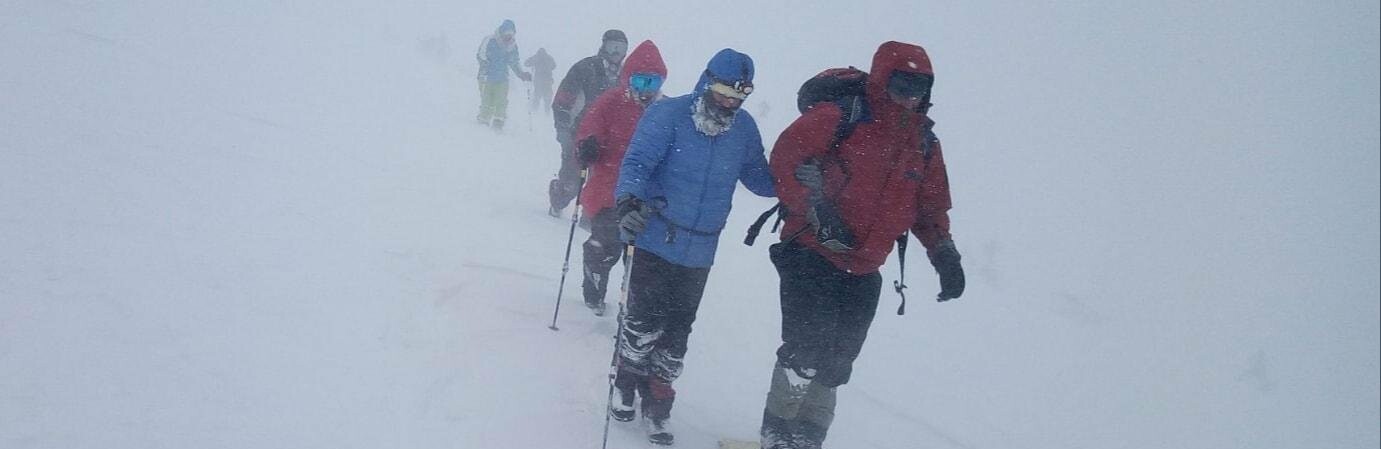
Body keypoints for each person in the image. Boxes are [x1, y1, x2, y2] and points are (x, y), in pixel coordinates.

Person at [756, 41, 966, 449]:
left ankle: (807, 436)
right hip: (811, 252)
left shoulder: (923, 143)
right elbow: (785, 161)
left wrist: (944, 253)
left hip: (865, 267)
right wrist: (816, 209)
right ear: (882, 80)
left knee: (837, 360)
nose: (909, 97)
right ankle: (776, 432)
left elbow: (930, 206)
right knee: (806, 349)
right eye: (901, 85)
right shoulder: (842, 116)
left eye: (918, 89)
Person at [611, 48, 775, 445]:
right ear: (706, 84)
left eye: (738, 97)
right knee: (643, 322)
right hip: (655, 236)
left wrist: (799, 177)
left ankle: (659, 406)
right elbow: (635, 164)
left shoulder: (743, 130)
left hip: (700, 250)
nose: (729, 103)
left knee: (677, 335)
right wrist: (629, 202)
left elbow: (760, 179)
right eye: (722, 93)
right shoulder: (668, 116)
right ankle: (626, 383)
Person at [572, 40, 668, 317]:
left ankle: (636, 306)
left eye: (653, 82)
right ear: (628, 78)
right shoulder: (610, 103)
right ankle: (595, 281)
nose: (645, 90)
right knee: (605, 245)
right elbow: (588, 132)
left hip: (647, 200)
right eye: (639, 80)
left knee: (640, 259)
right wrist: (587, 146)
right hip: (608, 193)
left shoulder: (666, 111)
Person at [547, 29, 628, 217]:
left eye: (621, 48)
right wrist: (563, 128)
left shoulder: (626, 76)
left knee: (600, 182)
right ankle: (559, 197)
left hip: (609, 140)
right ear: (603, 46)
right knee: (572, 180)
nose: (616, 53)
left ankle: (590, 216)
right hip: (578, 134)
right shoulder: (586, 68)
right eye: (612, 47)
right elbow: (563, 99)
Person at [475, 19, 532, 130]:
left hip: (502, 78)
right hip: (486, 76)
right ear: (502, 31)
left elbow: (514, 62)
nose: (508, 36)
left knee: (501, 100)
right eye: (507, 33)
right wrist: (486, 65)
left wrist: (522, 74)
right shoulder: (490, 40)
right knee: (487, 100)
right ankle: (483, 121)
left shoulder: (512, 46)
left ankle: (498, 121)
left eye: (511, 34)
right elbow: (480, 54)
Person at [524, 48, 557, 116]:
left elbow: (526, 63)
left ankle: (535, 112)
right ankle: (547, 113)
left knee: (537, 96)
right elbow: (554, 66)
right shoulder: (549, 58)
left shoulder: (536, 57)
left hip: (538, 80)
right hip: (548, 80)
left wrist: (534, 62)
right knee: (547, 98)